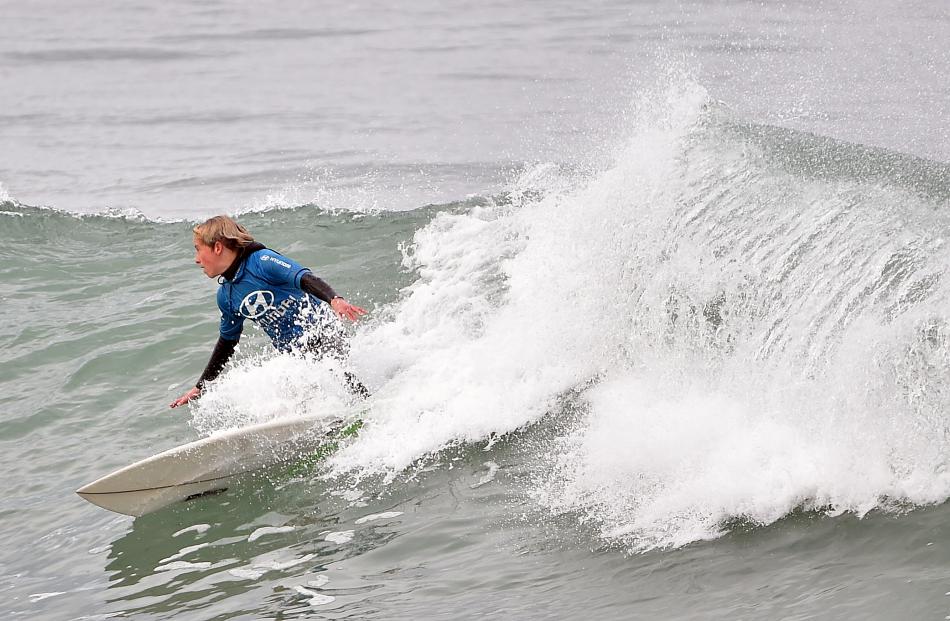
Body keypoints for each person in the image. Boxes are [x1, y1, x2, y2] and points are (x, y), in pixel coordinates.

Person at [170, 215, 368, 408]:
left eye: (198, 250)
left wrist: (334, 299)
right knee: (301, 396)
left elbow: (303, 278)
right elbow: (227, 342)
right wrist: (201, 386)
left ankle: (366, 405)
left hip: (320, 331)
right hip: (295, 354)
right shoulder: (226, 296)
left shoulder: (262, 261)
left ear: (217, 247)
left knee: (337, 372)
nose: (197, 259)